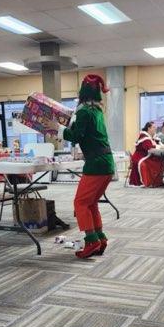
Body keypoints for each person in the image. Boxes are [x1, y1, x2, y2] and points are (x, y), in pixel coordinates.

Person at [44, 74, 115, 259]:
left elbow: (76, 136)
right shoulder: (97, 110)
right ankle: (100, 238)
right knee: (91, 203)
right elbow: (88, 135)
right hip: (106, 163)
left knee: (81, 203)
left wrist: (57, 128)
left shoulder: (84, 111)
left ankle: (91, 241)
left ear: (82, 92)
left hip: (96, 165)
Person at [128, 121, 164, 187]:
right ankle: (149, 182)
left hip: (147, 156)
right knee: (154, 162)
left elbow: (157, 144)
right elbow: (149, 147)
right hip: (140, 157)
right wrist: (160, 147)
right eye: (153, 127)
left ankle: (156, 181)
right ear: (149, 128)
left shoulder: (152, 137)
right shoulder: (144, 137)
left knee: (161, 160)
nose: (155, 128)